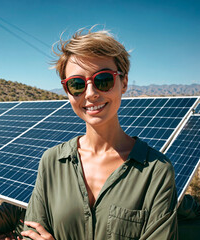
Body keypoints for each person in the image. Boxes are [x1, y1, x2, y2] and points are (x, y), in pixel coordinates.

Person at [19, 27, 178, 240]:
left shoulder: (156, 172)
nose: (91, 93)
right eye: (77, 85)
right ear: (67, 92)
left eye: (103, 80)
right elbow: (31, 234)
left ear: (124, 82)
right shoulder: (52, 162)